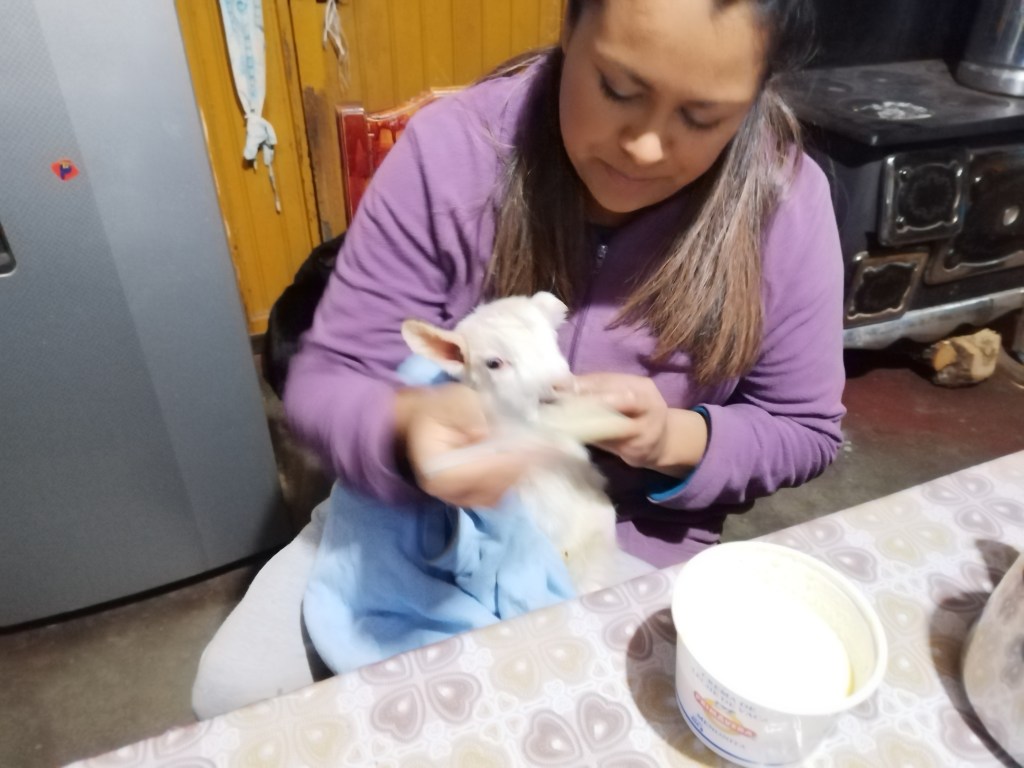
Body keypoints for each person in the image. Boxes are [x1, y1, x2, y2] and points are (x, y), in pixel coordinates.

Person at [192, 0, 845, 719]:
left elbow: (804, 427)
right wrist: (405, 428)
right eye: (617, 89)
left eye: (702, 117)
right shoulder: (455, 151)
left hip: (626, 536)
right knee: (234, 690)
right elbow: (328, 379)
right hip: (405, 516)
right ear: (568, 27)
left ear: (756, 94)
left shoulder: (786, 203)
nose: (645, 147)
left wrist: (672, 439)